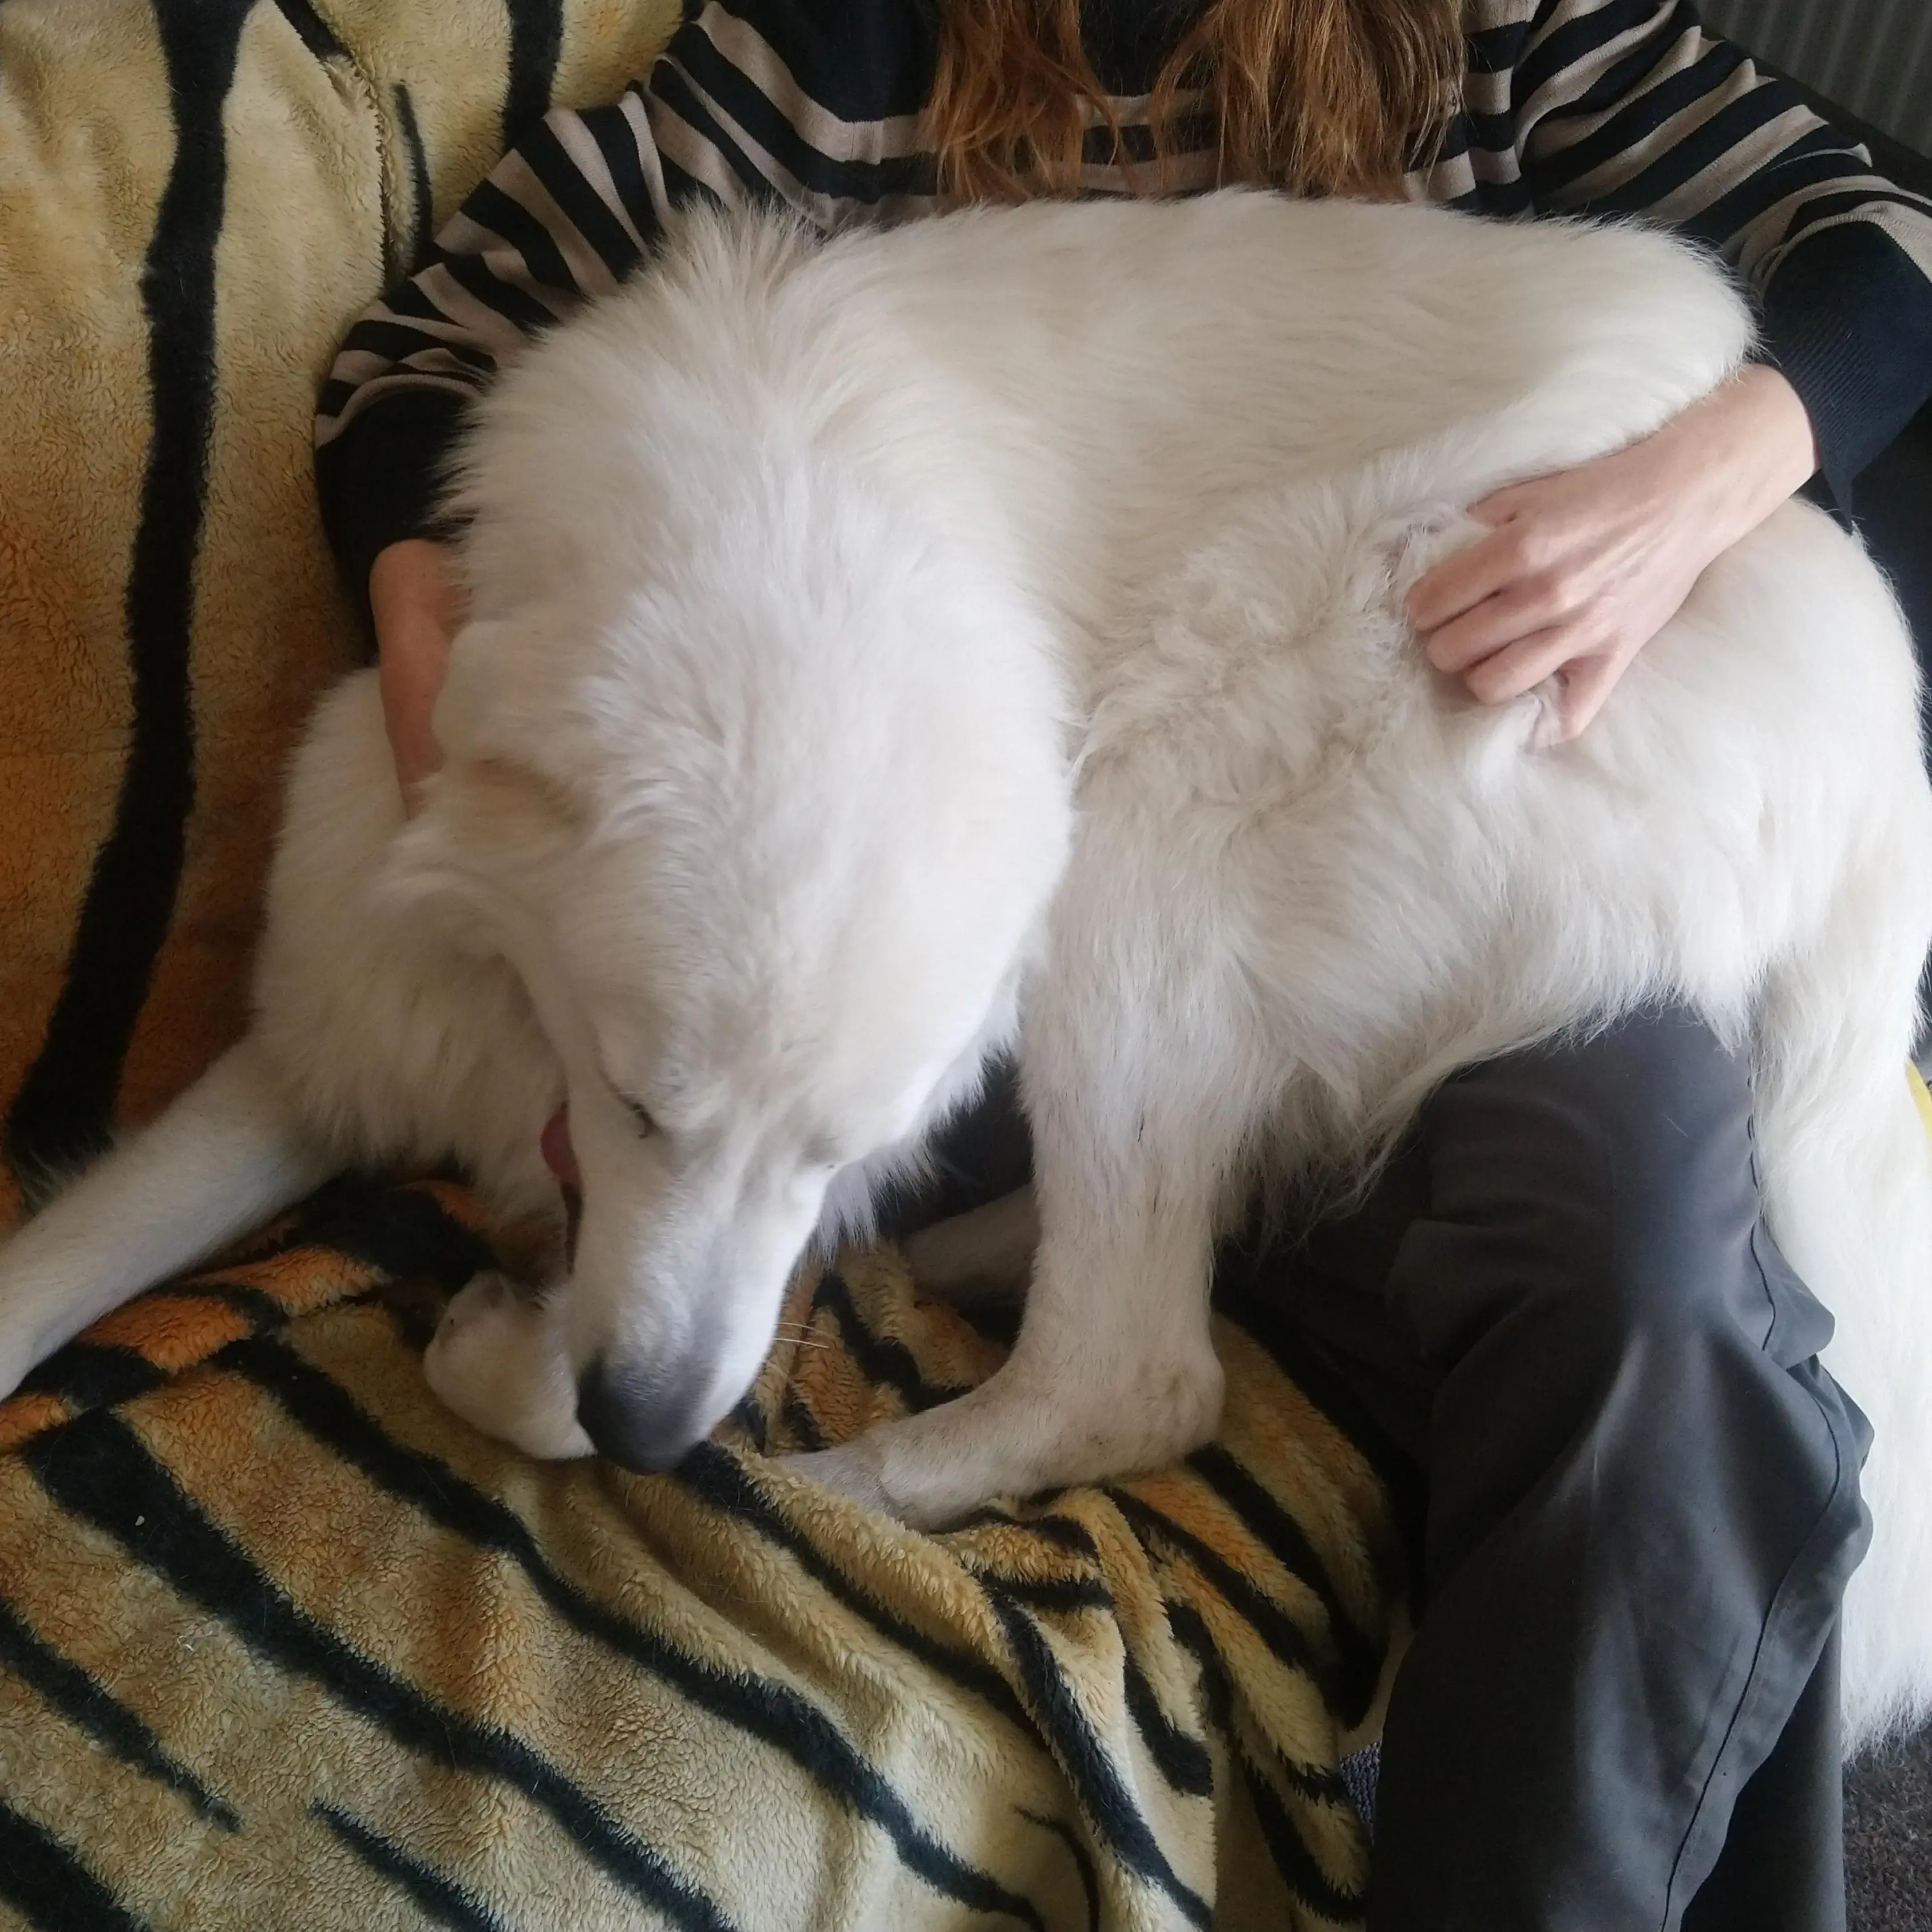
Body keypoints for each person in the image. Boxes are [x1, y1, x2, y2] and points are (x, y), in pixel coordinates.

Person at [312, 3, 1932, 1926]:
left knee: (1644, 1266)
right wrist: (443, 672)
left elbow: (1889, 230)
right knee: (1660, 1324)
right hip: (1096, 953)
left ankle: (1147, 1378)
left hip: (1441, 732)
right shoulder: (835, 42)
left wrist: (1712, 472)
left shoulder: (1489, 18)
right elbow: (423, 350)